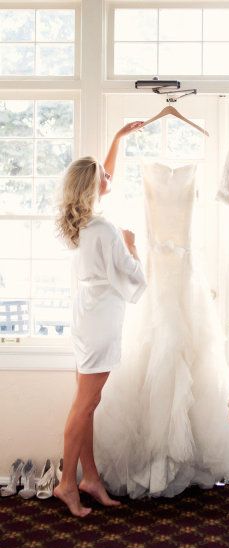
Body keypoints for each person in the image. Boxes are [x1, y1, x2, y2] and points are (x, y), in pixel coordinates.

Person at [54, 121, 146, 517]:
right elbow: (135, 275)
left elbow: (103, 175)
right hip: (101, 321)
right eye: (104, 176)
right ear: (94, 186)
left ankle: (89, 477)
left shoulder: (78, 226)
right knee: (84, 404)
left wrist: (117, 140)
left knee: (87, 404)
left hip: (85, 318)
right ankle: (66, 483)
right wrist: (133, 245)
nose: (110, 177)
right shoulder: (107, 229)